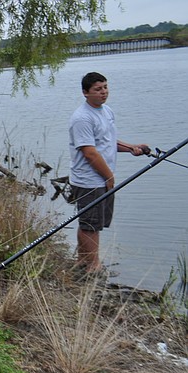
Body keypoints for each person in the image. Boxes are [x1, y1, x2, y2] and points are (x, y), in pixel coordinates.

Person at [68, 71, 149, 275]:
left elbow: (107, 142)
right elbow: (90, 153)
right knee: (90, 224)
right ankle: (94, 266)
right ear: (85, 93)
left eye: (105, 87)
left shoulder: (106, 111)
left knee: (92, 222)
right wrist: (109, 177)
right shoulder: (82, 118)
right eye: (98, 89)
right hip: (89, 180)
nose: (103, 92)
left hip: (102, 178)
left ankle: (82, 261)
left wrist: (131, 148)